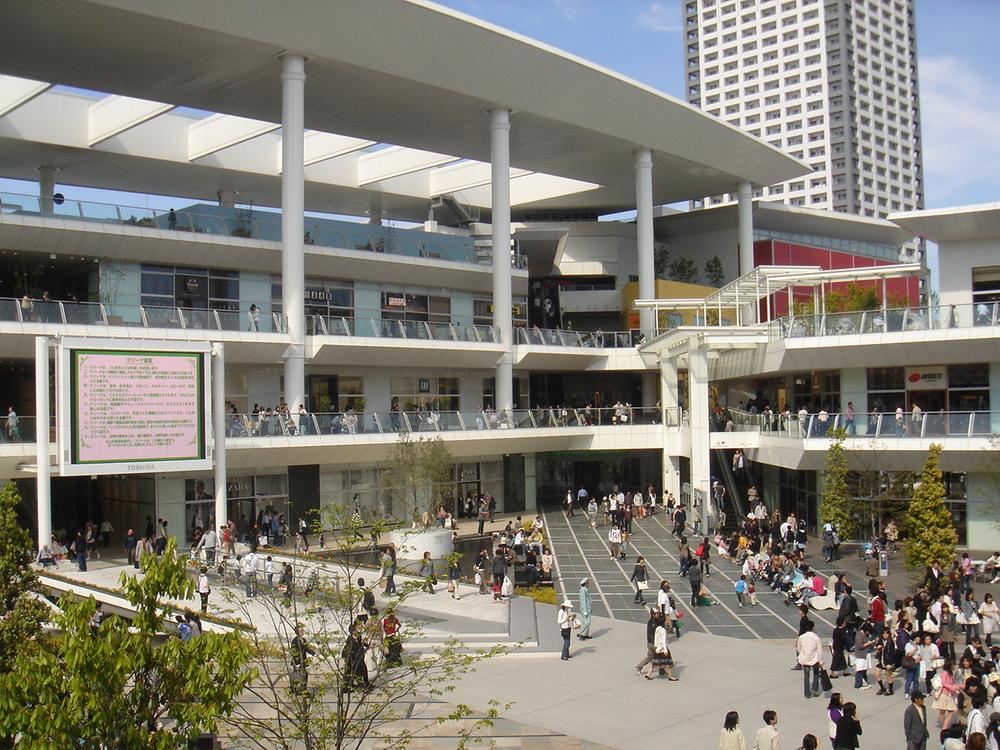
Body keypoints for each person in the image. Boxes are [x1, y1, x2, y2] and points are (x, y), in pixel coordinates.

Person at [797, 619, 823, 699]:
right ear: (812, 628)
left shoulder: (801, 637)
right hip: (814, 659)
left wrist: (801, 655)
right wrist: (820, 660)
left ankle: (807, 693)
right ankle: (814, 689)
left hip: (805, 659)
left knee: (806, 676)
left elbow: (799, 648)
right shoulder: (816, 638)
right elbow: (819, 650)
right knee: (816, 674)